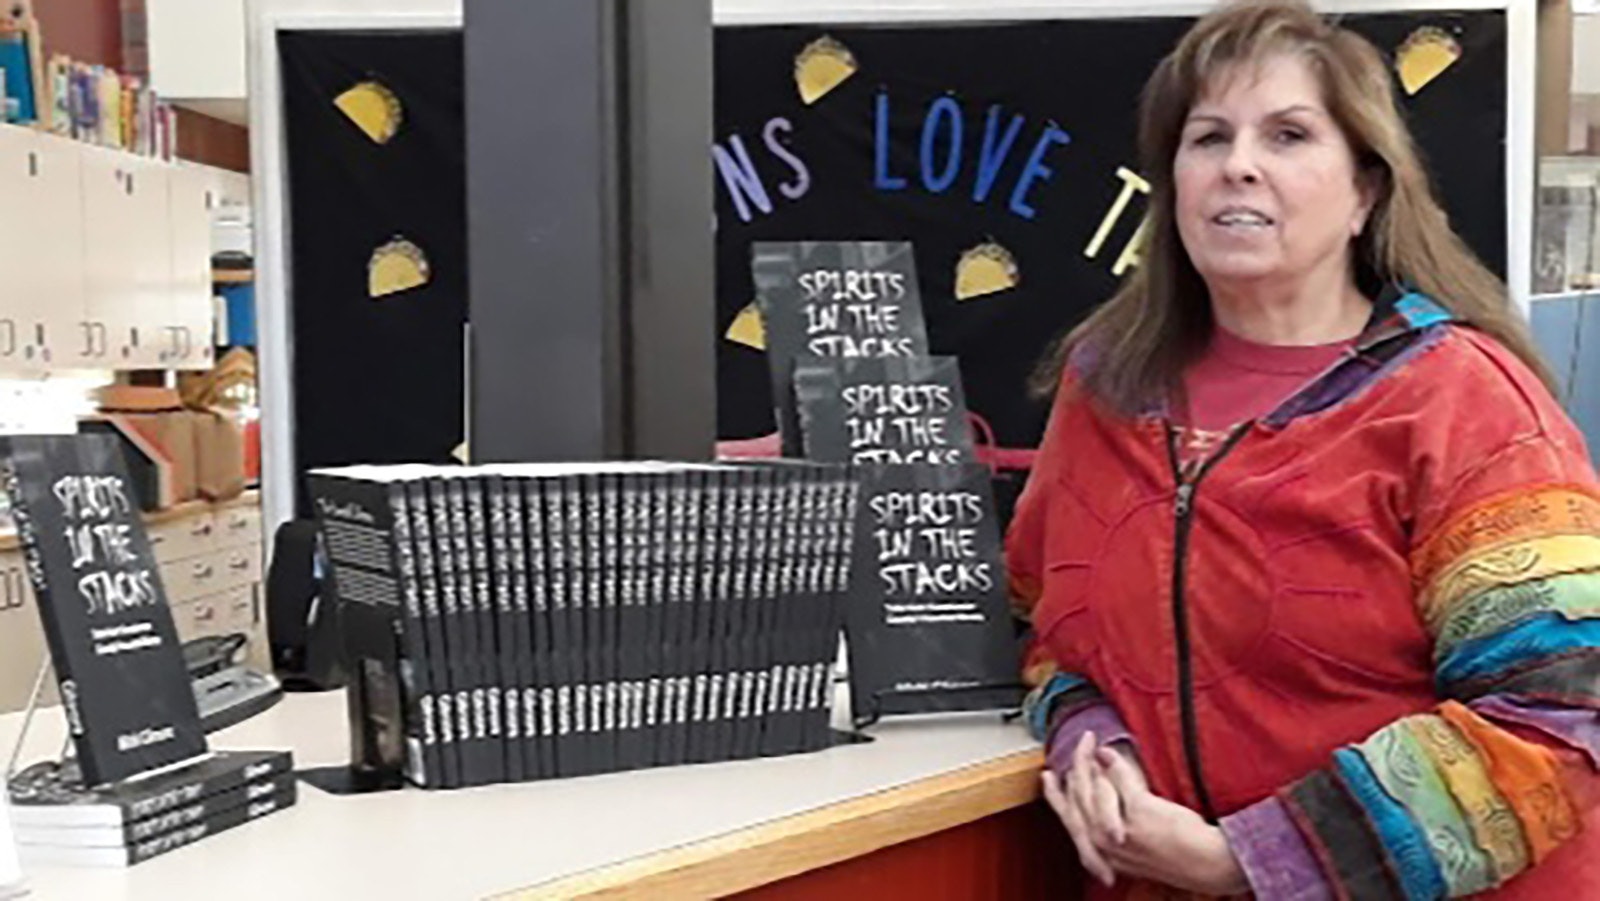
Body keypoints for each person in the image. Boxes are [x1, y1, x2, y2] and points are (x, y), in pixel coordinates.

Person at [1007, 2, 1600, 899]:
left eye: (1288, 135)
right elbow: (1042, 630)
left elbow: (1557, 712)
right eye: (1207, 138)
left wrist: (1249, 861)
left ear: (1365, 190)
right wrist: (1092, 734)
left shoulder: (1463, 401)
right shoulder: (1106, 390)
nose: (1237, 165)